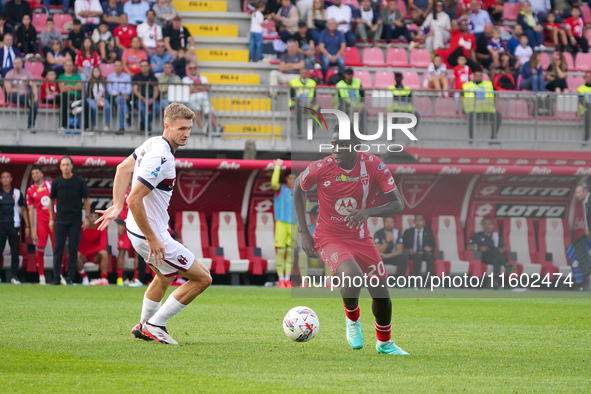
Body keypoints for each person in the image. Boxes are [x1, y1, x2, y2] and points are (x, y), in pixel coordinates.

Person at [95, 103, 212, 345]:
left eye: (189, 128)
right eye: (181, 128)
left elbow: (122, 168)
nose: (186, 133)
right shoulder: (161, 157)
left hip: (137, 229)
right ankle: (155, 325)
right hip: (149, 232)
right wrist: (152, 237)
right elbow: (135, 198)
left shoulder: (152, 143)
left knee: (165, 276)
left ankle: (143, 325)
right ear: (166, 126)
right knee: (203, 278)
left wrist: (117, 206)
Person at [293, 128, 409, 355]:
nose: (336, 150)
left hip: (360, 237)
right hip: (329, 236)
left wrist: (368, 212)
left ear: (356, 145)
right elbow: (298, 187)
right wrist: (304, 231)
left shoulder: (373, 165)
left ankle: (384, 343)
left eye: (343, 145)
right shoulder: (321, 167)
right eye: (334, 144)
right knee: (353, 276)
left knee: (382, 294)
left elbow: (398, 204)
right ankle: (352, 319)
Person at [48, 156, 91, 285]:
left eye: (68, 165)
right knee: (58, 250)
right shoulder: (56, 182)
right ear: (60, 167)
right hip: (60, 220)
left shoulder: (79, 182)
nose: (65, 167)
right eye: (63, 165)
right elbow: (51, 200)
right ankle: (56, 278)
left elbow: (86, 199)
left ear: (72, 166)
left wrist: (87, 217)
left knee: (73, 250)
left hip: (75, 220)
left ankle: (70, 278)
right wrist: (51, 218)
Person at [468, 217, 516, 289]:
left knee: (496, 259)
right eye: (486, 224)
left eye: (490, 224)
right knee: (494, 251)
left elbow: (504, 247)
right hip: (483, 257)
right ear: (482, 225)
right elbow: (469, 247)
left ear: (493, 225)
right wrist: (479, 248)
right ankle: (506, 265)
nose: (488, 226)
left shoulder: (496, 236)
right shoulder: (477, 235)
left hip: (495, 257)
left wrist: (502, 250)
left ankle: (496, 284)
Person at [26, 166, 54, 285]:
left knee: (57, 248)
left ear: (42, 175)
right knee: (40, 248)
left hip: (54, 221)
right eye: (32, 173)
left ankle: (60, 275)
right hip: (41, 223)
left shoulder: (50, 185)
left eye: (37, 173)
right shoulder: (30, 190)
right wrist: (32, 229)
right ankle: (41, 276)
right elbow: (30, 210)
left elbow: (56, 201)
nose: (34, 175)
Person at [0, 171, 29, 285]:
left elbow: (23, 209)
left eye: (7, 177)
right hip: (1, 225)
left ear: (11, 179)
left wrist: (28, 226)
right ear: (1, 180)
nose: (6, 179)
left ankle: (14, 276)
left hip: (14, 225)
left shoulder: (17, 193)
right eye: (3, 177)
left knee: (15, 252)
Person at [271, 158, 296, 288]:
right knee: (281, 251)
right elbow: (274, 183)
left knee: (291, 251)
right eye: (290, 178)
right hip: (281, 222)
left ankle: (288, 279)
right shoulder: (280, 188)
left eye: (294, 178)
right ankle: (280, 279)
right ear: (286, 179)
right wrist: (277, 168)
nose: (292, 180)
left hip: (294, 224)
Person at [462, 67, 502, 140]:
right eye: (477, 75)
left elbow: (496, 94)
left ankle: (493, 137)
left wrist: (494, 104)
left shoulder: (488, 84)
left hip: (487, 109)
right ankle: (472, 138)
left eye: (480, 75)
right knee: (471, 118)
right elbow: (462, 97)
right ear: (473, 76)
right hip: (473, 110)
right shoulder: (467, 85)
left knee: (498, 116)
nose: (479, 77)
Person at [182, 62, 222, 133]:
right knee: (198, 110)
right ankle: (203, 128)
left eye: (194, 68)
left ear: (197, 69)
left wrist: (194, 87)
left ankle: (217, 128)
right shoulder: (185, 79)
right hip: (192, 99)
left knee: (209, 111)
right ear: (188, 69)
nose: (193, 69)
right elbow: (188, 90)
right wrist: (200, 87)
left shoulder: (203, 77)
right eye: (190, 68)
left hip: (204, 98)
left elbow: (206, 87)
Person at [115, 186, 142, 287]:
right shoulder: (121, 190)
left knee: (137, 252)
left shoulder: (139, 188)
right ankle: (120, 278)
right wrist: (119, 223)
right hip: (124, 225)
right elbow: (116, 207)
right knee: (122, 251)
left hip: (136, 225)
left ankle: (136, 278)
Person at [4, 57, 38, 131]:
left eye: (18, 63)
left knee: (34, 104)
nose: (17, 65)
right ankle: (29, 100)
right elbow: (8, 89)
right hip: (14, 95)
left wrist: (36, 96)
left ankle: (30, 126)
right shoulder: (9, 74)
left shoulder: (27, 73)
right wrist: (19, 90)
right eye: (15, 63)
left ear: (22, 63)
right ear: (13, 64)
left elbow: (33, 85)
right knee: (26, 99)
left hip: (26, 95)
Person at [77, 211, 109, 286]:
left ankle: (104, 279)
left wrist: (88, 253)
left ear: (99, 218)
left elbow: (103, 246)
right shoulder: (82, 226)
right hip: (82, 255)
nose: (93, 219)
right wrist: (83, 253)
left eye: (95, 217)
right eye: (91, 216)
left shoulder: (101, 227)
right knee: (75, 254)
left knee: (104, 253)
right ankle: (84, 278)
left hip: (94, 255)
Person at [402, 213, 435, 278]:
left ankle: (429, 281)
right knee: (417, 257)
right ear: (414, 221)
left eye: (420, 220)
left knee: (430, 258)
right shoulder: (408, 232)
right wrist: (408, 250)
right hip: (413, 254)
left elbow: (433, 246)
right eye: (416, 220)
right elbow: (403, 245)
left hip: (425, 253)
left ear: (424, 221)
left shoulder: (429, 231)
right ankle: (418, 281)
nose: (418, 222)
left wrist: (430, 248)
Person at [133, 60, 160, 131]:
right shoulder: (136, 77)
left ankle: (144, 122)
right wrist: (143, 98)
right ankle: (148, 127)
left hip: (151, 98)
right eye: (142, 66)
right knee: (142, 109)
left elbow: (156, 90)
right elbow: (135, 90)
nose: (144, 68)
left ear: (148, 67)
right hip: (140, 98)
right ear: (140, 67)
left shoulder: (153, 77)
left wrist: (153, 99)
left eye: (146, 66)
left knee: (157, 108)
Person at [107, 60, 132, 133]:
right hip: (114, 97)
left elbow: (129, 88)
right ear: (114, 67)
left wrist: (122, 94)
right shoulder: (110, 77)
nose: (118, 67)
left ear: (122, 67)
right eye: (116, 66)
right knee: (120, 100)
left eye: (119, 65)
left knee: (121, 102)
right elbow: (109, 89)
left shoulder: (127, 76)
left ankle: (121, 128)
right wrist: (118, 94)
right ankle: (127, 114)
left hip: (124, 97)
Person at [289, 68, 316, 135]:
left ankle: (312, 131)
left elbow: (314, 95)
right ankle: (299, 130)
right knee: (299, 109)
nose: (304, 74)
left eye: (305, 73)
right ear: (300, 74)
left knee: (318, 110)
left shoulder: (312, 83)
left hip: (308, 104)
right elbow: (292, 97)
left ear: (308, 74)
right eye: (302, 73)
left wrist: (312, 104)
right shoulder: (293, 82)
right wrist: (301, 104)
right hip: (296, 104)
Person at [57, 59, 83, 129]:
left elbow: (80, 87)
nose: (69, 67)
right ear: (64, 67)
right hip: (65, 96)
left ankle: (86, 128)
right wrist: (74, 87)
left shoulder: (77, 76)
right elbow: (62, 89)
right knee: (63, 102)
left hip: (76, 96)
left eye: (70, 65)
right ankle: (63, 125)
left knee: (86, 104)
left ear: (73, 67)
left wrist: (67, 86)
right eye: (67, 65)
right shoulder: (61, 76)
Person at [86, 66, 111, 131]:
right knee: (93, 106)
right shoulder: (89, 81)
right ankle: (94, 124)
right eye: (94, 71)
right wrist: (95, 99)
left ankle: (107, 124)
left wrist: (103, 98)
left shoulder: (103, 81)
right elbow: (88, 93)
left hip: (101, 98)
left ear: (100, 72)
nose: (96, 73)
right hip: (92, 98)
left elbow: (106, 92)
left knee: (108, 106)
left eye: (97, 71)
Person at [577, 71, 591, 142]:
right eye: (588, 77)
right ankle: (586, 137)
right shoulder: (580, 89)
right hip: (585, 110)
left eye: (590, 76)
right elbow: (582, 101)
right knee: (588, 116)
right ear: (585, 78)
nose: (589, 78)